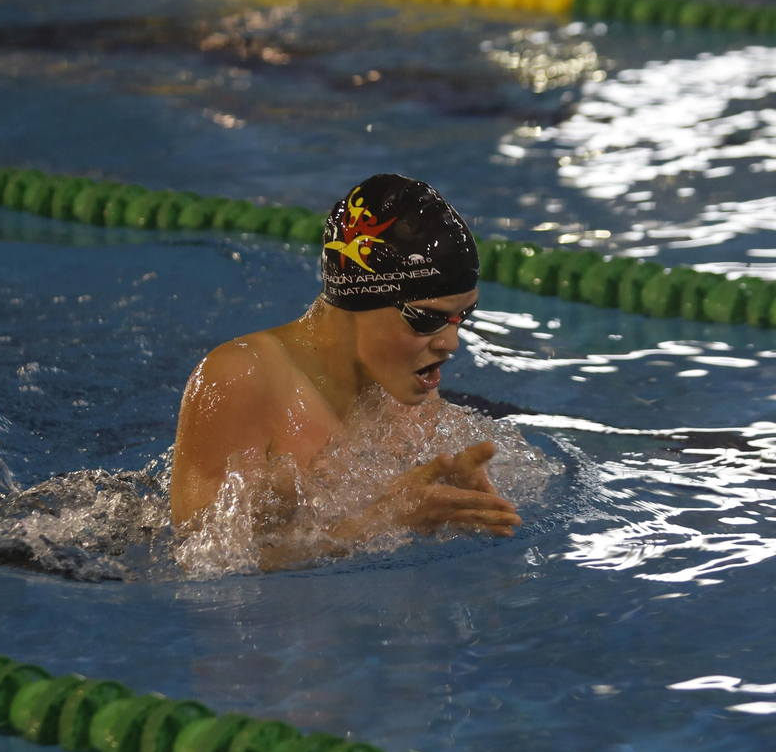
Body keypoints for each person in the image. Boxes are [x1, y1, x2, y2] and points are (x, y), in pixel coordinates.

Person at [170, 174, 523, 565]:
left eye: (462, 316)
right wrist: (380, 521)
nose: (450, 343)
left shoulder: (402, 383)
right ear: (361, 299)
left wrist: (457, 504)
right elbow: (200, 564)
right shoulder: (240, 377)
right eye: (427, 319)